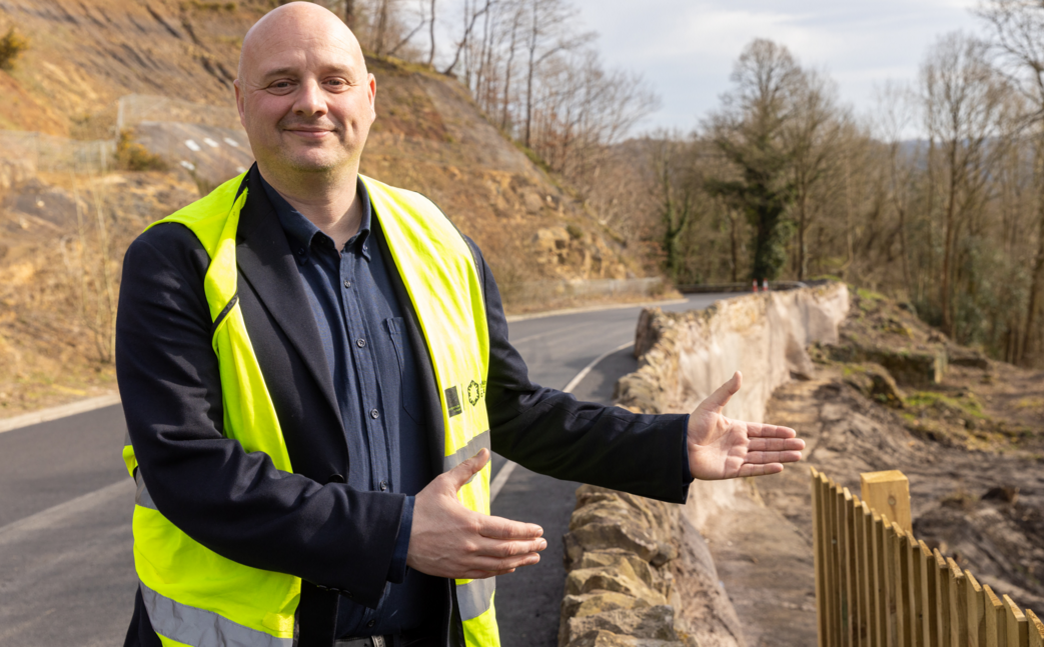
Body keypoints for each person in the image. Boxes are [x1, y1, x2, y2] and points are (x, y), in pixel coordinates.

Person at [114, 3, 806, 647]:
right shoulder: (178, 258)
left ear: (371, 98)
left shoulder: (440, 243)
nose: (312, 102)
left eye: (334, 79)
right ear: (241, 103)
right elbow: (188, 468)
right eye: (281, 82)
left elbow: (510, 409)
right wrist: (399, 533)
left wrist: (666, 444)